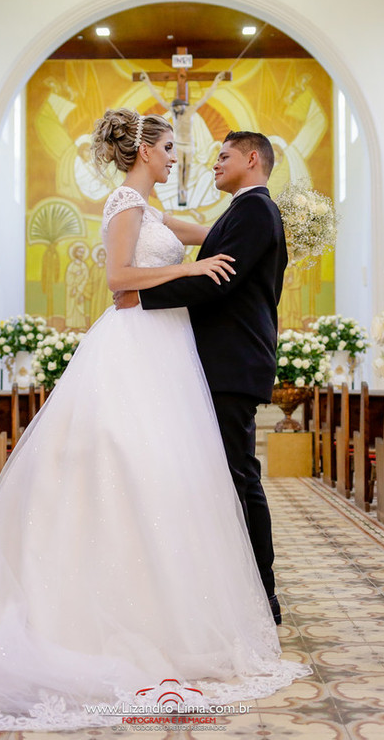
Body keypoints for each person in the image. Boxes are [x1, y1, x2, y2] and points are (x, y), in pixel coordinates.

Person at [0, 108, 308, 732]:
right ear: (145, 151)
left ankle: (179, 600)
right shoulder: (124, 203)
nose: (177, 158)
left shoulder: (157, 211)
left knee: (170, 473)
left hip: (171, 350)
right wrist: (190, 268)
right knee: (129, 461)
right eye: (169, 148)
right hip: (138, 342)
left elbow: (218, 239)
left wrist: (280, 231)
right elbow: (119, 279)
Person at [115, 130, 288, 625]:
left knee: (238, 477)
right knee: (219, 476)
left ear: (252, 159)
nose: (214, 163)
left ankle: (262, 595)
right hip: (217, 361)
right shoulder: (242, 211)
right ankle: (227, 587)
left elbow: (219, 281)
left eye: (224, 156)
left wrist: (142, 298)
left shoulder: (255, 210)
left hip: (231, 363)